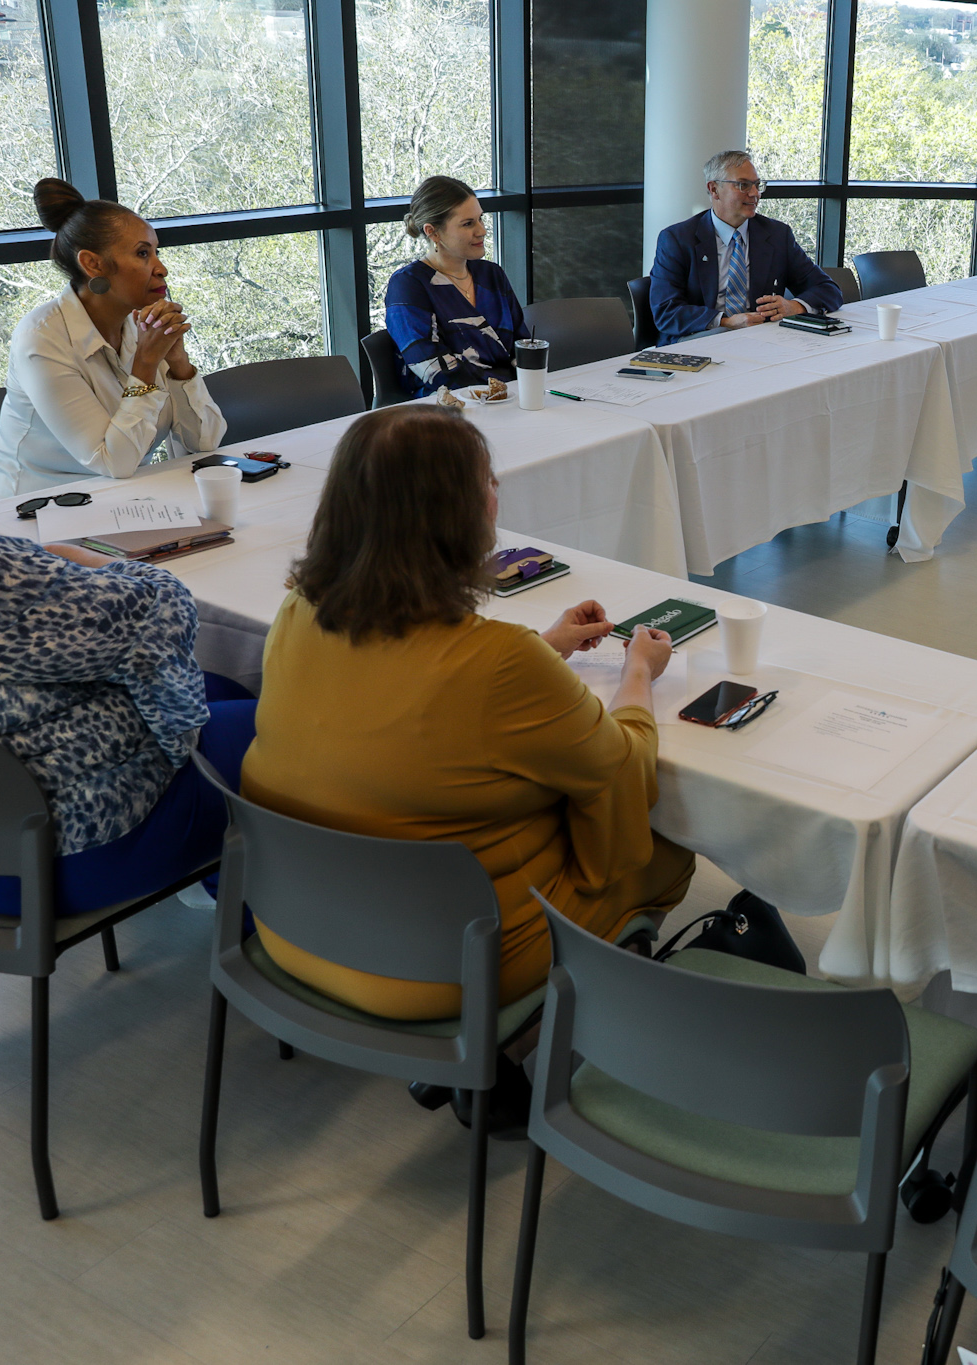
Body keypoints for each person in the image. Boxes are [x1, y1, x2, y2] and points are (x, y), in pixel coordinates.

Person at [240, 404, 694, 1021]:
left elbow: (415, 703)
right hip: (441, 972)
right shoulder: (501, 662)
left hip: (292, 928)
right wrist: (638, 670)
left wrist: (546, 647)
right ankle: (584, 1032)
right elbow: (619, 767)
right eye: (487, 482)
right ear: (460, 515)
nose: (496, 494)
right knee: (666, 847)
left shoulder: (298, 613)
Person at [0, 340, 249, 915]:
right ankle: (271, 924)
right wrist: (94, 561)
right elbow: (159, 611)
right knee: (290, 733)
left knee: (222, 689)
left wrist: (57, 567)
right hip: (46, 860)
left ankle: (233, 879)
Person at [0, 179, 226, 502]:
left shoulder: (142, 326)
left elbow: (205, 444)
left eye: (156, 252)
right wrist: (147, 364)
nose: (161, 268)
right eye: (142, 254)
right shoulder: (40, 339)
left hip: (122, 502)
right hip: (28, 515)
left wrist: (179, 365)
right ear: (93, 264)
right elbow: (114, 461)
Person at [647, 151, 844, 347]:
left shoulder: (776, 235)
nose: (755, 194)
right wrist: (726, 322)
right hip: (698, 340)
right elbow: (666, 311)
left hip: (761, 340)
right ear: (714, 189)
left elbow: (828, 290)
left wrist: (794, 306)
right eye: (743, 185)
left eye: (757, 185)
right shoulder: (677, 239)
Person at [384, 175, 532, 400]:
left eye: (480, 219)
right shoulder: (408, 285)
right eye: (468, 224)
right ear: (433, 232)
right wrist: (503, 393)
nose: (481, 231)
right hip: (447, 410)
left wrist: (526, 391)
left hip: (509, 399)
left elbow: (523, 347)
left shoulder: (492, 275)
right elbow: (435, 371)